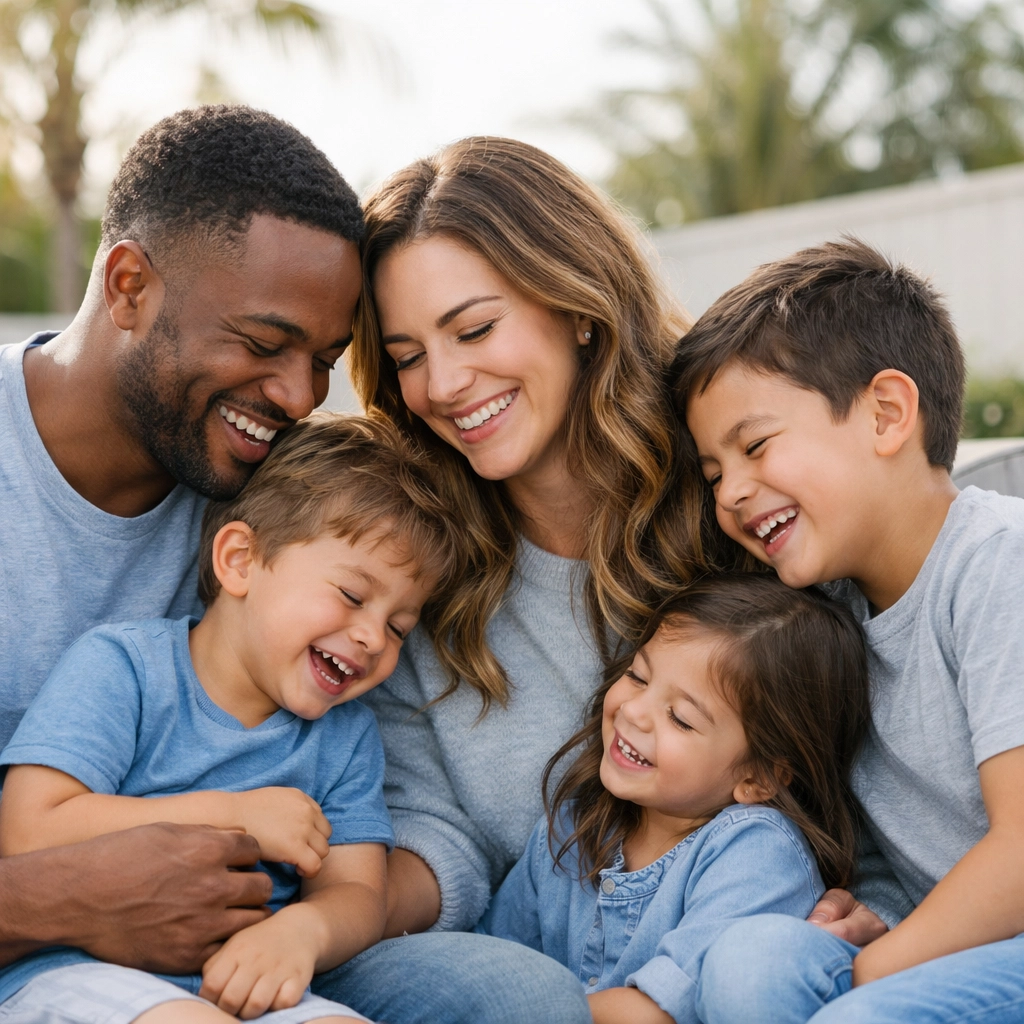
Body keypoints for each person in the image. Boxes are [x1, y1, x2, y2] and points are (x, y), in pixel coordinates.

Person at [311, 136, 714, 1024]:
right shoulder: (410, 558)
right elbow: (435, 828)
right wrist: (329, 915)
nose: (446, 384)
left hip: (731, 947)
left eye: (476, 328)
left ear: (576, 304)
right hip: (510, 968)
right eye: (409, 354)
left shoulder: (728, 485)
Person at [0, 104, 364, 968]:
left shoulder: (276, 514)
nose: (301, 397)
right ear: (128, 285)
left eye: (324, 360)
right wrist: (65, 903)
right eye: (264, 343)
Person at [0, 414, 458, 1024]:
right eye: (351, 595)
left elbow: (358, 893)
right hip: (74, 974)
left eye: (400, 626)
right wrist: (234, 815)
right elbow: (29, 831)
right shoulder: (125, 668)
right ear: (240, 559)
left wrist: (303, 933)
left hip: (243, 987)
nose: (374, 637)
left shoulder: (344, 739)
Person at [677, 238, 1024, 1022]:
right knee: (749, 963)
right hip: (950, 946)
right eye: (712, 473)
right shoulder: (829, 618)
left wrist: (883, 966)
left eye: (755, 445)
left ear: (886, 414)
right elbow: (887, 838)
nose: (732, 493)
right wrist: (872, 914)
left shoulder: (997, 563)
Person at [481, 574, 870, 1024]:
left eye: (681, 719)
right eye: (637, 676)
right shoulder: (572, 822)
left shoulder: (757, 851)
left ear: (759, 777)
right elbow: (494, 961)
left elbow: (657, 1015)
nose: (633, 711)